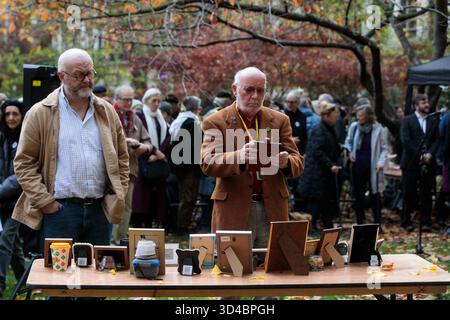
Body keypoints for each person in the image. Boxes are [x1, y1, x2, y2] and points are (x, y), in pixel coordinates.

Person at [12, 48, 129, 248]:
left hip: (100, 210)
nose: (87, 80)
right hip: (60, 212)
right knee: (59, 276)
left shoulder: (106, 111)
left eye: (90, 73)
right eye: (79, 75)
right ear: (61, 76)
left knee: (96, 277)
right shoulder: (40, 113)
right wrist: (47, 204)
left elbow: (122, 158)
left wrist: (116, 196)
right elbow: (23, 164)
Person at [201, 67, 303, 250]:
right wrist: (239, 156)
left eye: (260, 90)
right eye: (249, 90)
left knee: (276, 271)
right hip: (233, 209)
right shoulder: (215, 121)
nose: (255, 96)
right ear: (234, 89)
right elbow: (207, 162)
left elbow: (298, 160)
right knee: (233, 271)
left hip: (272, 209)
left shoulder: (280, 120)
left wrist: (286, 162)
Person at [111, 85, 153, 245]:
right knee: (114, 205)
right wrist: (127, 141)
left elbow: (148, 141)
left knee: (127, 206)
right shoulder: (109, 115)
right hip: (111, 171)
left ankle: (121, 240)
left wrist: (145, 147)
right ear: (117, 99)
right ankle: (110, 241)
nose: (129, 103)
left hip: (130, 169)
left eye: (131, 99)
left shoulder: (135, 117)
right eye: (126, 99)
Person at [298, 101, 342, 234]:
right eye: (334, 116)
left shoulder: (329, 128)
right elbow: (317, 151)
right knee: (316, 202)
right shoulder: (319, 129)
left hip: (324, 173)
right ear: (326, 116)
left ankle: (328, 226)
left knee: (326, 201)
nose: (336, 118)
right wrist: (330, 164)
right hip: (317, 173)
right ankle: (312, 228)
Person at [344, 104, 389, 225]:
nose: (358, 117)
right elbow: (348, 142)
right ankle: (360, 222)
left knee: (375, 194)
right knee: (358, 195)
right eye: (358, 115)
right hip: (357, 166)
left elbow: (385, 148)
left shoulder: (379, 129)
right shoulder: (354, 127)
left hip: (373, 166)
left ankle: (377, 223)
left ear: (368, 116)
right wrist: (350, 152)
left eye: (361, 115)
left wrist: (380, 162)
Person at [400, 94, 439, 232]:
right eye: (423, 102)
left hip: (428, 163)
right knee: (408, 192)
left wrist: (430, 154)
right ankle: (406, 221)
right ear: (416, 105)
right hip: (410, 163)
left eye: (427, 101)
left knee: (426, 193)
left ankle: (426, 221)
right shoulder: (407, 120)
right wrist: (420, 155)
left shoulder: (433, 120)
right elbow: (405, 140)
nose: (427, 104)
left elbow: (436, 140)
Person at [133, 88, 170, 228]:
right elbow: (139, 137)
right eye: (153, 101)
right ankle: (142, 223)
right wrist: (151, 153)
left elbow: (167, 136)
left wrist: (159, 153)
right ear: (146, 102)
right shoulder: (140, 116)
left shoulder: (160, 117)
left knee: (159, 197)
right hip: (144, 162)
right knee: (143, 196)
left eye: (159, 101)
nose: (157, 104)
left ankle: (157, 223)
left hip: (158, 162)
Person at [0, 100, 25, 297]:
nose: (11, 118)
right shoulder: (1, 137)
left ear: (21, 115)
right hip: (1, 199)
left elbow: (22, 174)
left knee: (4, 241)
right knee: (14, 245)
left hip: (19, 200)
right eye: (7, 114)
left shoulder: (26, 137)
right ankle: (25, 281)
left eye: (15, 113)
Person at [169, 96, 203, 235]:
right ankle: (182, 227)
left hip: (179, 166)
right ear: (197, 108)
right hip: (188, 168)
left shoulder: (179, 120)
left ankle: (181, 226)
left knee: (185, 197)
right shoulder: (191, 123)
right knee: (188, 198)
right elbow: (196, 146)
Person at [283, 89, 307, 155]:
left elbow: (304, 136)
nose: (289, 104)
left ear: (298, 103)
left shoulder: (303, 116)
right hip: (285, 151)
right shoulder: (281, 115)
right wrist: (290, 140)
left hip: (299, 151)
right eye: (287, 102)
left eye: (292, 102)